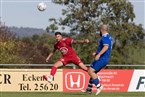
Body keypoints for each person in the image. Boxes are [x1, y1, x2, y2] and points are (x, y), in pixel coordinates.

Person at [81, 24, 113, 95]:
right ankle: (89, 89)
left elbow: (106, 47)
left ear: (101, 30)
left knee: (91, 71)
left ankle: (99, 86)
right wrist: (96, 53)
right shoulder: (109, 37)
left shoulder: (104, 37)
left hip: (102, 58)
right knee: (92, 73)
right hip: (104, 58)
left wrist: (99, 54)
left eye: (99, 30)